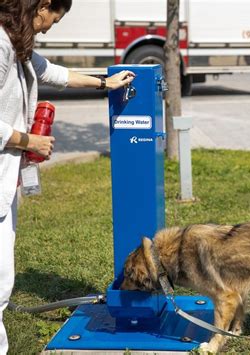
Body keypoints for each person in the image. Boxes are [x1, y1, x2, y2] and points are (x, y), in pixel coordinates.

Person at [0, 0, 135, 353]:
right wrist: (28, 140)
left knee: (2, 277)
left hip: (6, 178)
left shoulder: (16, 44)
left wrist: (104, 83)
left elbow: (54, 73)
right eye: (52, 20)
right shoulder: (0, 44)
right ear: (41, 5)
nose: (48, 28)